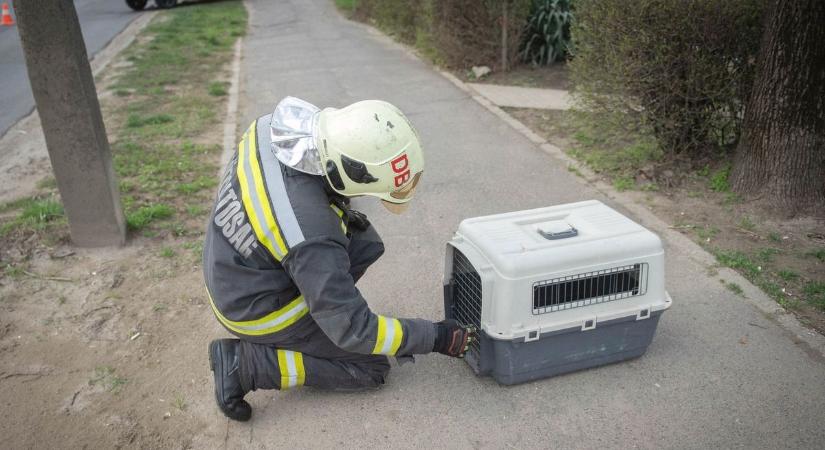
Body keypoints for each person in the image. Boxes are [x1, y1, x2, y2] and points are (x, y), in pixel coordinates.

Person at [203, 97, 476, 422]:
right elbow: (356, 331)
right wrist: (435, 337)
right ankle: (245, 365)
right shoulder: (311, 234)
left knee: (360, 244)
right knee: (369, 365)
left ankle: (321, 305)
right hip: (255, 309)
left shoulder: (272, 127)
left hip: (229, 265)